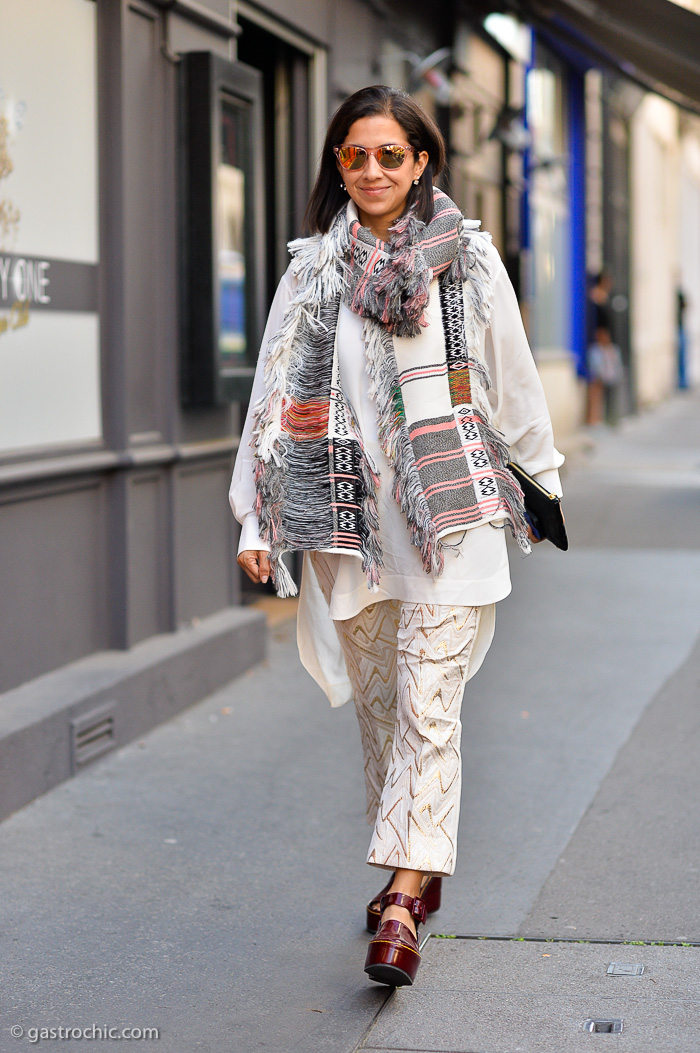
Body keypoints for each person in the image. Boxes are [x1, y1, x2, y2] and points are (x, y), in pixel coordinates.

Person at [229, 85, 564, 987]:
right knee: (382, 715)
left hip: (450, 521)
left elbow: (515, 381)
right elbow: (270, 401)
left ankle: (407, 902)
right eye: (354, 156)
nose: (372, 170)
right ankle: (409, 865)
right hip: (346, 526)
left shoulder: (470, 263)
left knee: (427, 707)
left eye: (389, 155)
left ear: (421, 163)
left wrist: (543, 485)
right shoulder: (309, 271)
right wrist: (257, 517)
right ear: (337, 166)